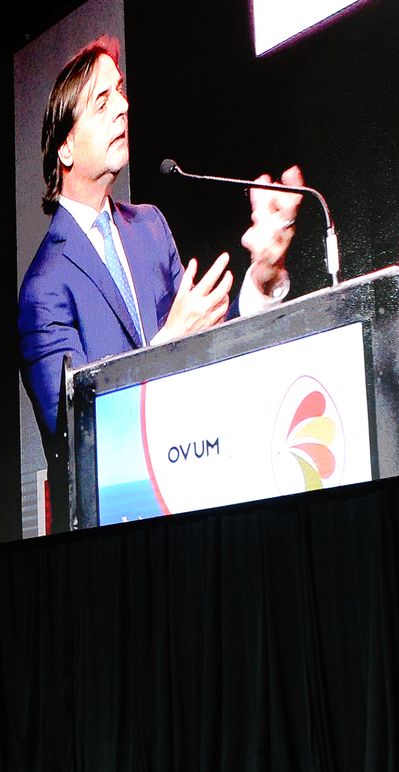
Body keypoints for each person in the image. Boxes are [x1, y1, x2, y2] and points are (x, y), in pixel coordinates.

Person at [17, 35, 303, 527]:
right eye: (102, 102)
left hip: (193, 492)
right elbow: (74, 432)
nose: (123, 108)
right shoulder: (44, 286)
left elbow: (207, 348)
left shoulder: (149, 226)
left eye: (121, 92)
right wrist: (168, 340)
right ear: (64, 147)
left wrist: (262, 273)